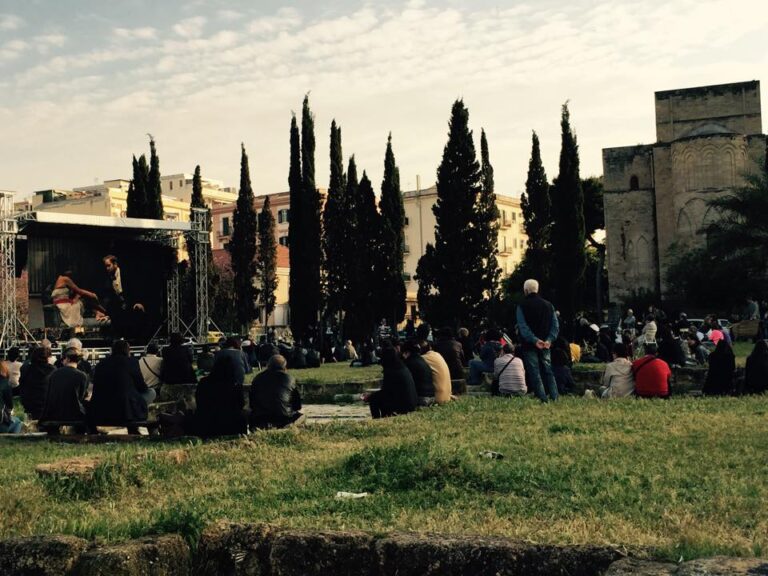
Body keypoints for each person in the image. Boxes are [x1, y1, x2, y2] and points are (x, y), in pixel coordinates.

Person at [89, 339, 156, 433]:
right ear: (127, 350)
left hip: (102, 410)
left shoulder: (101, 364)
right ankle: (136, 426)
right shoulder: (132, 362)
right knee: (151, 392)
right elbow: (142, 387)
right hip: (125, 411)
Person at [516, 279, 559, 402]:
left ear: (526, 290)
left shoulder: (522, 306)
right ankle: (554, 396)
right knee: (548, 370)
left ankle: (542, 397)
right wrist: (549, 339)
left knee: (535, 372)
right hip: (546, 343)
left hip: (530, 344)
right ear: (537, 289)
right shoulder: (549, 305)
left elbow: (523, 327)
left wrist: (534, 340)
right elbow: (555, 325)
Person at [195, 348, 247, 436]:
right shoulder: (235, 386)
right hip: (231, 426)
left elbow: (199, 401)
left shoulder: (204, 383)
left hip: (207, 425)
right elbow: (241, 404)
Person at [39, 347, 88, 433]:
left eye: (63, 358)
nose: (62, 361)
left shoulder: (54, 374)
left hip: (54, 414)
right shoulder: (82, 376)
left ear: (68, 359)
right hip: (75, 414)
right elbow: (81, 397)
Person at [249, 354, 303, 429]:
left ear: (268, 365)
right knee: (302, 416)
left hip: (261, 418)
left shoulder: (257, 378)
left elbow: (252, 403)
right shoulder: (290, 379)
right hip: (284, 418)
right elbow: (297, 406)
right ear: (284, 367)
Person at [51, 259, 107, 328]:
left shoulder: (60, 279)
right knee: (86, 298)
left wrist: (77, 297)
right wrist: (92, 294)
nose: (72, 270)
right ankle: (103, 312)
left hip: (64, 304)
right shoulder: (65, 279)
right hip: (64, 307)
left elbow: (76, 293)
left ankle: (99, 312)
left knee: (83, 298)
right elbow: (79, 291)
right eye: (70, 268)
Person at [368, 346, 417, 418]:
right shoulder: (402, 366)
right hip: (411, 402)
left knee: (374, 399)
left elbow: (386, 390)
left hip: (403, 405)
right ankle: (386, 416)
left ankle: (377, 419)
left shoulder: (390, 370)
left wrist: (370, 396)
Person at [19, 345, 55, 419]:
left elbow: (22, 384)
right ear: (47, 358)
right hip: (46, 405)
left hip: (30, 404)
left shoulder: (27, 368)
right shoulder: (52, 370)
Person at [401, 340, 434, 406]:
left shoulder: (409, 363)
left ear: (407, 352)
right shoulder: (422, 360)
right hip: (432, 397)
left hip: (421, 398)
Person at [419, 340, 452, 405]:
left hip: (436, 398)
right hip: (447, 396)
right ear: (430, 347)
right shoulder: (438, 355)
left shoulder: (422, 358)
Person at [0, 361, 22, 433]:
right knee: (18, 422)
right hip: (1, 425)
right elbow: (10, 406)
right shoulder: (5, 384)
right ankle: (14, 440)